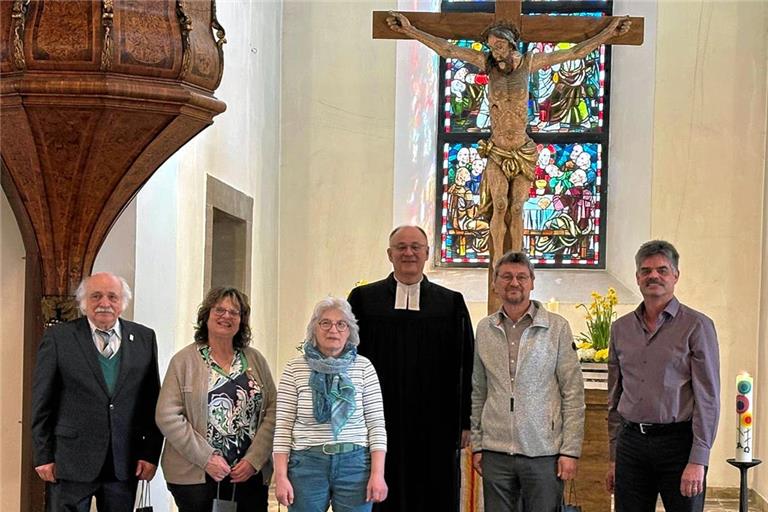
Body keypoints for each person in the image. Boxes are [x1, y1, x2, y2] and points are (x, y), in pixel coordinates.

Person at [386, 12, 631, 261]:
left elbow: (574, 53)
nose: (496, 52)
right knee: (500, 205)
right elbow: (448, 50)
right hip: (497, 149)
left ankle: (517, 260)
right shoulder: (486, 63)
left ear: (511, 44)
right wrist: (410, 30)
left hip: (523, 149)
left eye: (500, 46)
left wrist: (608, 33)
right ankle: (497, 263)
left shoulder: (529, 62)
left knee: (516, 208)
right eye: (492, 46)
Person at [347, 225, 474, 512]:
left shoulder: (450, 303)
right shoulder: (364, 300)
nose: (408, 253)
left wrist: (465, 421)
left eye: (416, 247)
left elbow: (466, 363)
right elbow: (348, 360)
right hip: (377, 418)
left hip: (437, 422)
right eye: (401, 247)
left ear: (427, 253)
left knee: (434, 492)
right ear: (389, 254)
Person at [31, 272, 163, 512]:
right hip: (70, 461)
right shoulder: (59, 338)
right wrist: (43, 455)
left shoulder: (144, 338)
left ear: (123, 302)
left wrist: (151, 454)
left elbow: (152, 402)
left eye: (112, 297)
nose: (104, 303)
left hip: (124, 462)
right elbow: (42, 401)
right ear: (83, 302)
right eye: (96, 296)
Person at [605, 241, 720, 511]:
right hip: (631, 443)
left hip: (678, 444)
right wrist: (614, 457)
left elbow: (708, 398)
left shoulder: (696, 326)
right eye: (645, 271)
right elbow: (615, 397)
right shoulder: (621, 329)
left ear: (675, 276)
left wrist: (698, 460)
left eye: (662, 270)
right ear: (637, 277)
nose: (653, 276)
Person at [471, 251, 585, 511]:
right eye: (506, 276)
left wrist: (570, 450)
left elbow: (573, 392)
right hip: (496, 451)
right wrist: (478, 445)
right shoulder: (485, 329)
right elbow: (479, 391)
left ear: (532, 282)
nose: (514, 282)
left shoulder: (556, 328)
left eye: (522, 277)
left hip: (543, 452)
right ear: (495, 283)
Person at [156, 287, 276, 512]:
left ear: (242, 320)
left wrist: (254, 459)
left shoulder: (255, 359)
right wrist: (206, 458)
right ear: (206, 315)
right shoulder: (183, 361)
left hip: (248, 474)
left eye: (234, 312)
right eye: (219, 310)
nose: (226, 316)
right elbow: (167, 416)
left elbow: (273, 411)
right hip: (195, 476)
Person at [273, 297, 388, 511]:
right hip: (307, 464)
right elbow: (283, 427)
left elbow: (376, 425)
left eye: (341, 324)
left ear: (349, 331)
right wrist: (280, 477)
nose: (333, 330)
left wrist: (377, 474)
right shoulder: (294, 369)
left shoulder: (364, 367)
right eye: (325, 323)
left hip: (355, 466)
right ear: (314, 329)